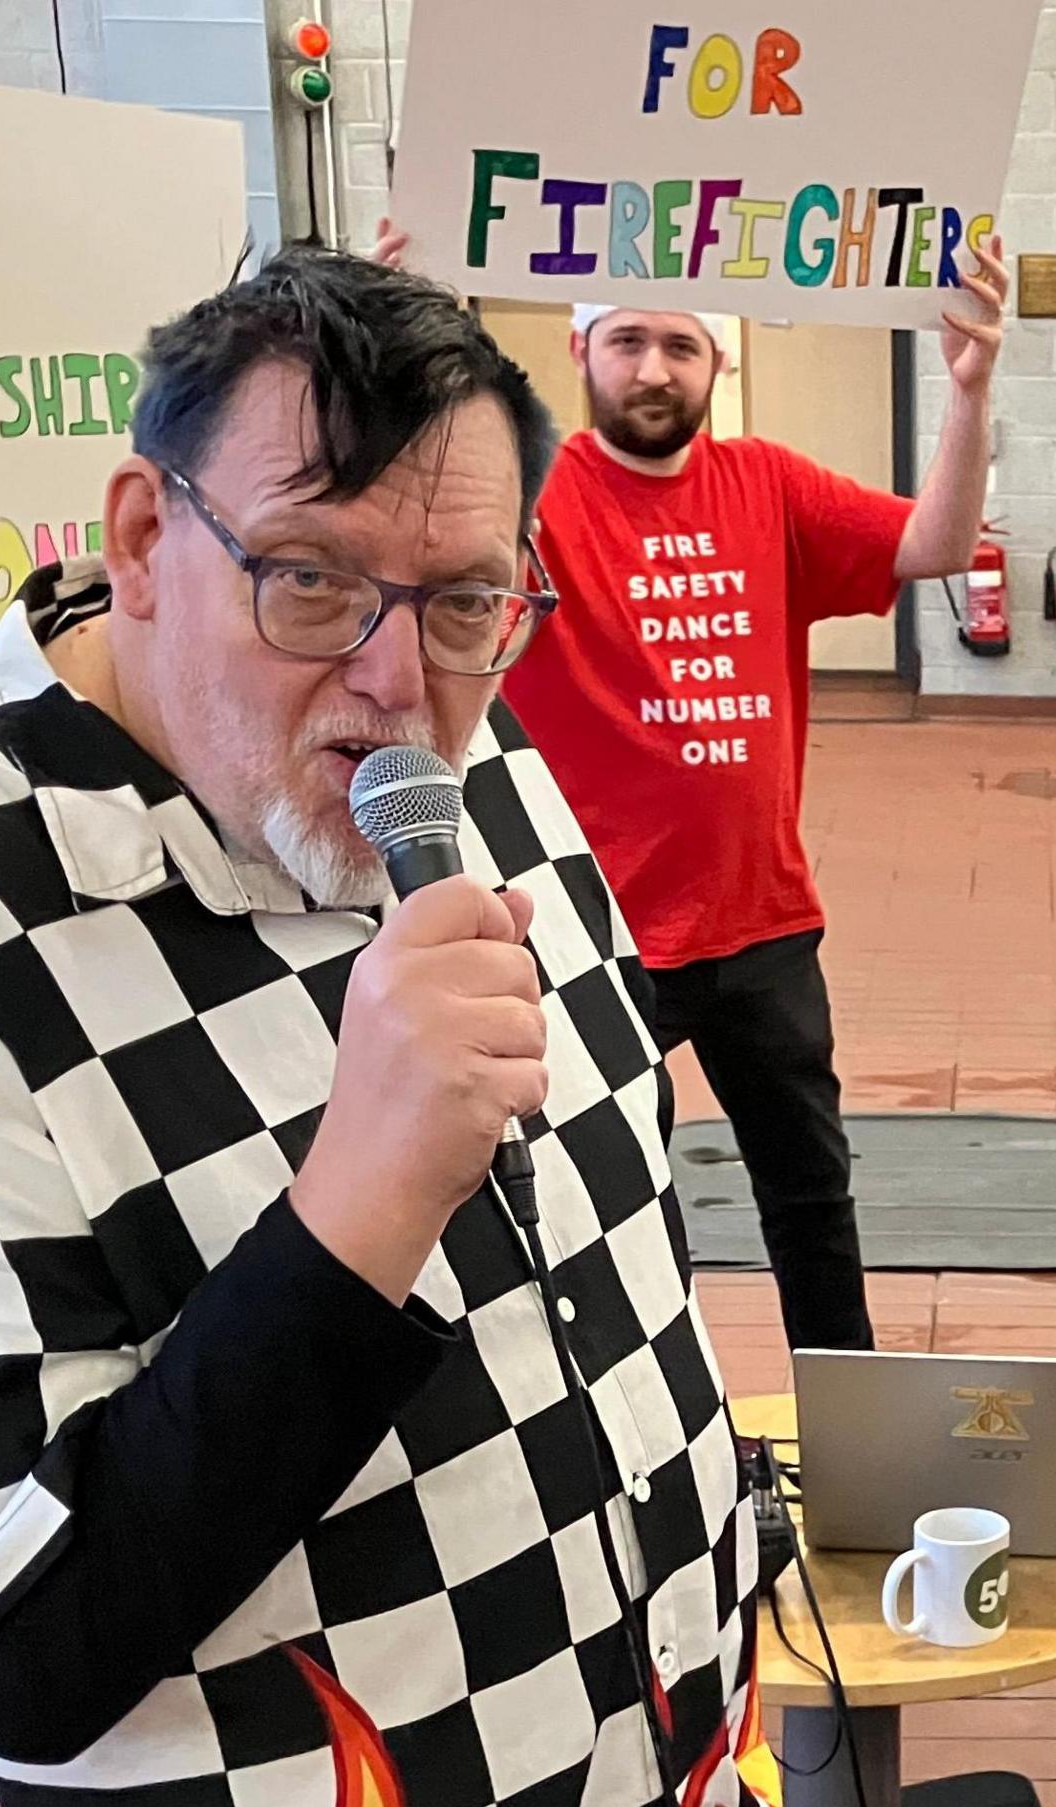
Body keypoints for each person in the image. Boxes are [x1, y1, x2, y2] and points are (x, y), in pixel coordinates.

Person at [0, 248, 776, 1807]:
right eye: (308, 582)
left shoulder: (474, 755)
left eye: (462, 602)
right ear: (140, 536)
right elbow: (1, 1647)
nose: (389, 684)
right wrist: (360, 1202)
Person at [374, 216, 1007, 1352]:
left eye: (678, 343)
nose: (652, 369)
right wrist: (394, 341)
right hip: (594, 930)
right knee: (608, 1201)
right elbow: (414, 528)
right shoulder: (535, 496)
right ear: (579, 352)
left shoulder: (767, 485)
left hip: (760, 920)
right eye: (625, 341)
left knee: (812, 1200)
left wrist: (968, 386)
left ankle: (847, 1422)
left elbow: (938, 544)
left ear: (721, 359)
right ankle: (650, 1413)